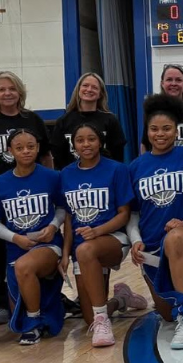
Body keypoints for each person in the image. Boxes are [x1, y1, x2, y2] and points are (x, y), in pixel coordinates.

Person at [0, 70, 51, 326]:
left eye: (11, 89)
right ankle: (1, 303)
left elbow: (46, 158)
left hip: (33, 197)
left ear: (19, 92)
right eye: (2, 89)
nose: (7, 93)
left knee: (38, 245)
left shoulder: (33, 120)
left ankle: (46, 297)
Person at [127, 95, 183, 350]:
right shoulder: (136, 166)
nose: (160, 134)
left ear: (177, 130)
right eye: (154, 129)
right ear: (147, 131)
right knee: (165, 314)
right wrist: (136, 241)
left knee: (175, 238)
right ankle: (182, 304)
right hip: (152, 251)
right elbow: (132, 215)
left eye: (166, 129)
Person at [0, 129, 67, 345]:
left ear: (38, 147)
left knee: (24, 267)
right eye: (19, 147)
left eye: (30, 146)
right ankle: (47, 310)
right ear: (9, 150)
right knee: (17, 312)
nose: (25, 151)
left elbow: (62, 209)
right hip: (16, 247)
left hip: (48, 245)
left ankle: (33, 324)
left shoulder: (52, 177)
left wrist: (52, 226)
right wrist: (15, 238)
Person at [59, 119, 135, 347]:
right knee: (87, 316)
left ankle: (103, 321)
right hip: (82, 248)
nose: (86, 144)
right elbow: (69, 217)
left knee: (86, 249)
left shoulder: (116, 169)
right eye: (80, 140)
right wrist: (64, 253)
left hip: (113, 239)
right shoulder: (66, 174)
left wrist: (98, 231)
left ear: (100, 141)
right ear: (74, 145)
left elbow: (124, 214)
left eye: (91, 139)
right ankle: (121, 300)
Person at [50, 72, 126, 169]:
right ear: (78, 90)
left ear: (100, 94)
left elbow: (118, 155)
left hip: (104, 175)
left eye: (94, 87)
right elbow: (57, 156)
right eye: (85, 85)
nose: (89, 89)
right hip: (73, 177)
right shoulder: (63, 121)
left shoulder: (111, 120)